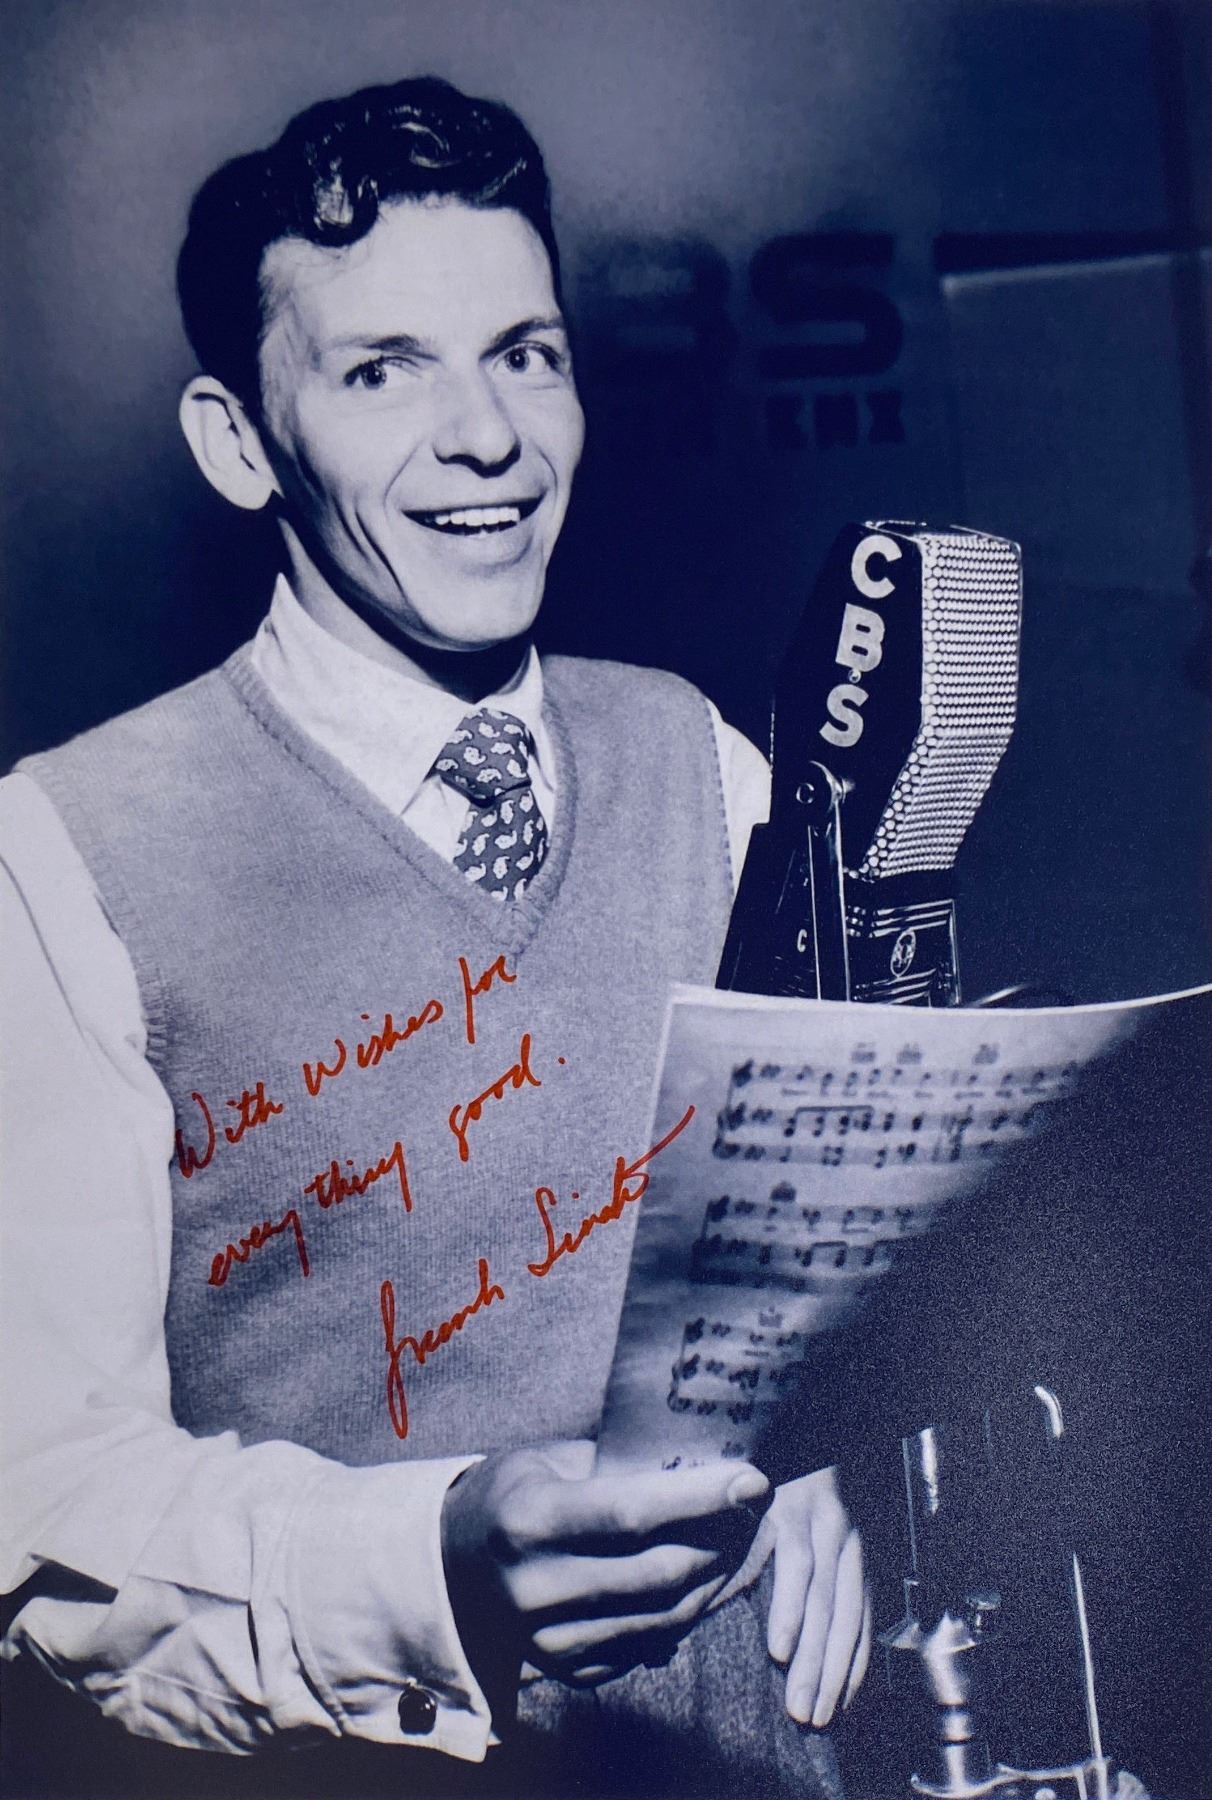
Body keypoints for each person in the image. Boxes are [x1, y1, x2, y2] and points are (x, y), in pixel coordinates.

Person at [0, 76, 869, 1797]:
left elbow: (813, 1281)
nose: (489, 439)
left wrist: (829, 1454)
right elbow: (45, 1504)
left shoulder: (705, 761)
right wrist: (441, 1557)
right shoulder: (63, 854)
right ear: (238, 442)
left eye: (525, 354)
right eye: (381, 371)